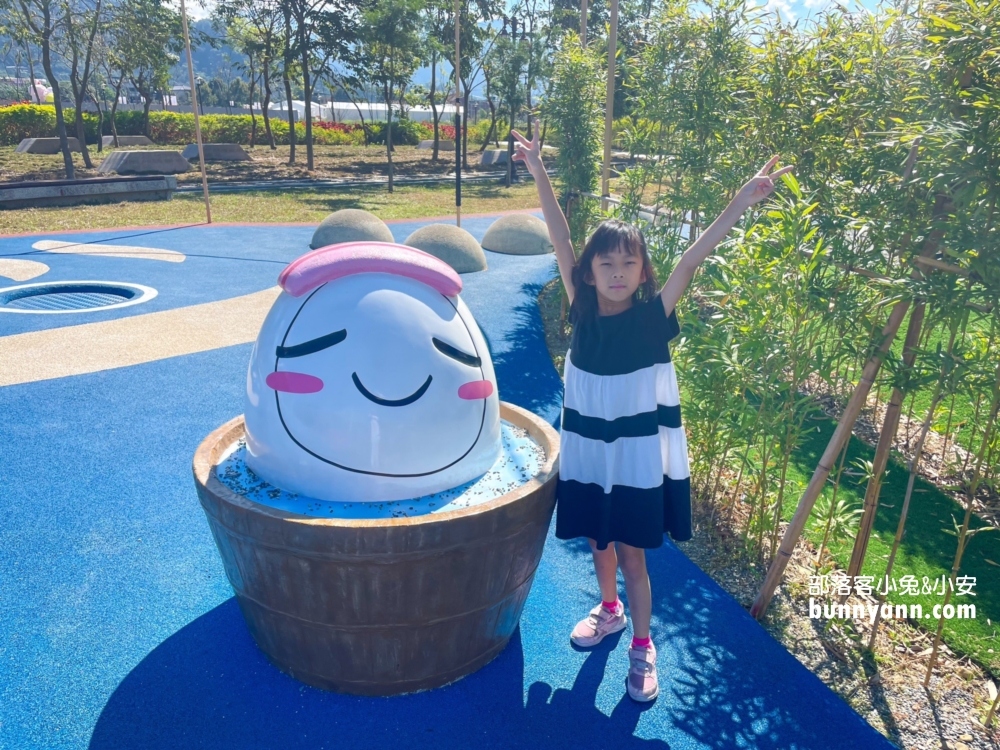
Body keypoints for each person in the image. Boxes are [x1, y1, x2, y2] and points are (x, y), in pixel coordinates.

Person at [511, 122, 793, 703]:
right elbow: (562, 239)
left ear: (643, 273)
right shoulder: (581, 311)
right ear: (589, 272)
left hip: (636, 460)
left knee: (634, 553)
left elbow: (693, 257)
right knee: (599, 543)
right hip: (591, 453)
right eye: (606, 263)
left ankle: (643, 645)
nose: (617, 272)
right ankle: (608, 610)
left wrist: (740, 201)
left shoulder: (652, 317)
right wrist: (540, 172)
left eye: (629, 264)